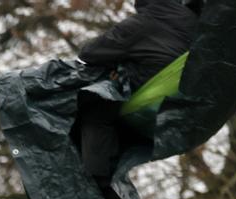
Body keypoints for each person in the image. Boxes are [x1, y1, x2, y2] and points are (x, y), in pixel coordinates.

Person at [76, 0, 200, 187]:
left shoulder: (141, 24)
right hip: (184, 98)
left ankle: (98, 186)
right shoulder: (193, 20)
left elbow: (89, 53)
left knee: (95, 111)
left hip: (150, 94)